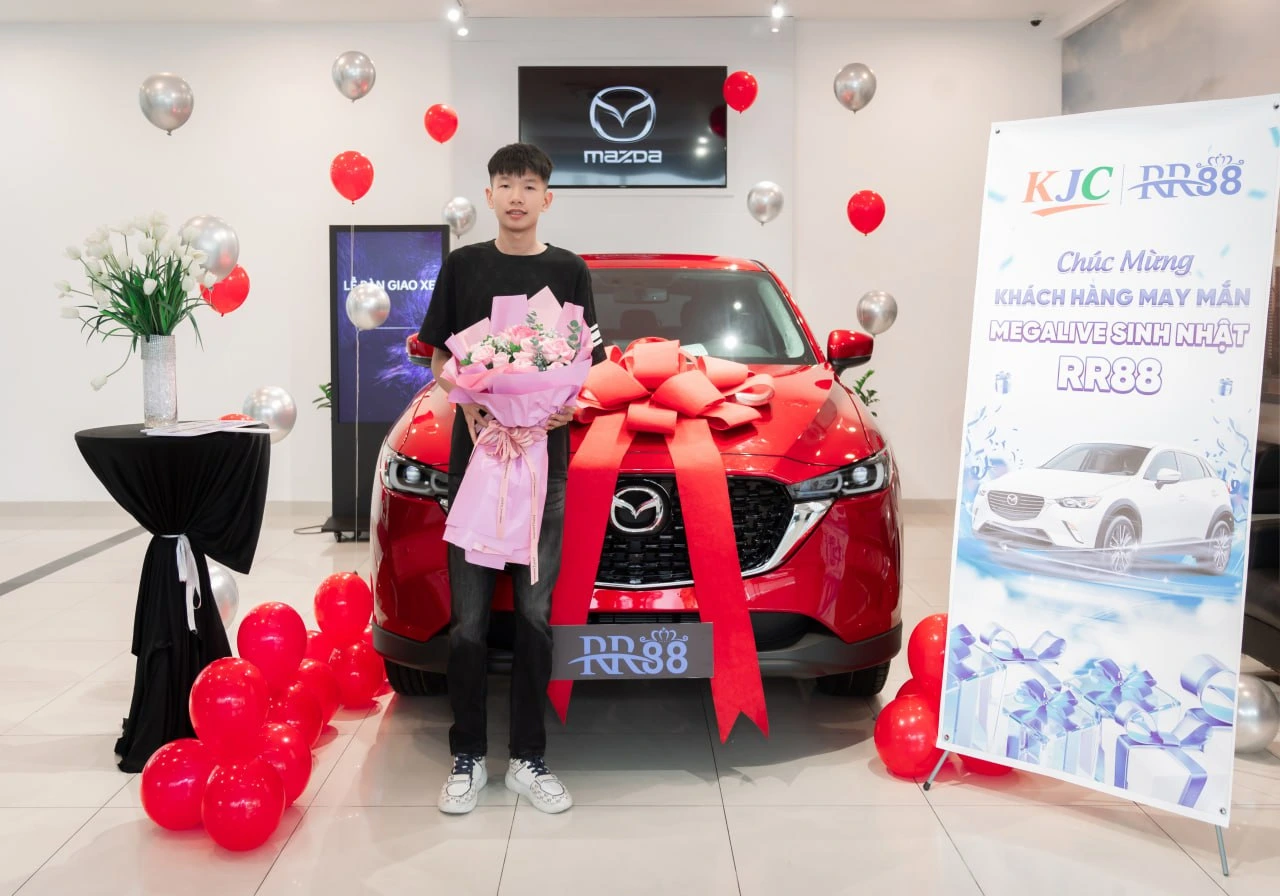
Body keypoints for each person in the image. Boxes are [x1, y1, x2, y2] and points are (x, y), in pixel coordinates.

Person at [415, 143, 606, 815]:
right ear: (489, 195)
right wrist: (468, 402)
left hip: (543, 465)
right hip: (477, 462)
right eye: (505, 184)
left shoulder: (568, 270)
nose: (517, 196)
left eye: (529, 185)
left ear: (547, 198)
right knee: (468, 622)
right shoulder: (464, 265)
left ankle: (529, 758)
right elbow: (440, 358)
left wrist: (562, 409)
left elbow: (585, 364)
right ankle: (467, 756)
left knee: (534, 617)